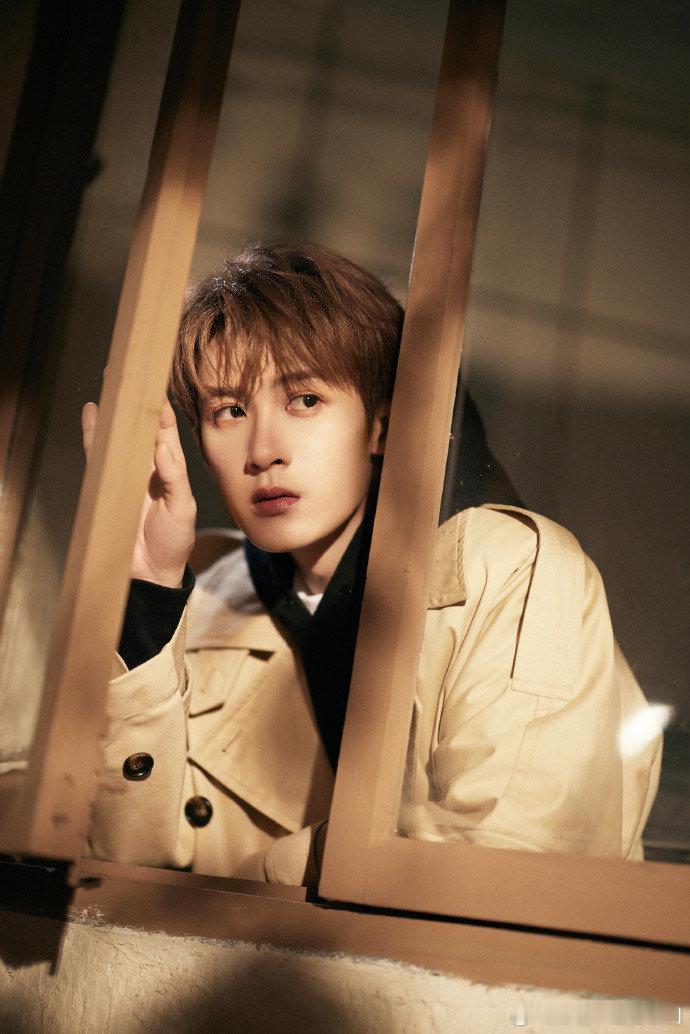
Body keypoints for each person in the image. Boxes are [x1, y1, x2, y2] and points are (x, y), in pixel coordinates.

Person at [83, 240, 661, 886]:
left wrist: (255, 882)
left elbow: (498, 870)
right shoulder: (210, 589)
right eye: (231, 411)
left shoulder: (511, 570)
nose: (264, 450)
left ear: (382, 426)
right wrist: (150, 591)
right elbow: (114, 877)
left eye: (304, 400)